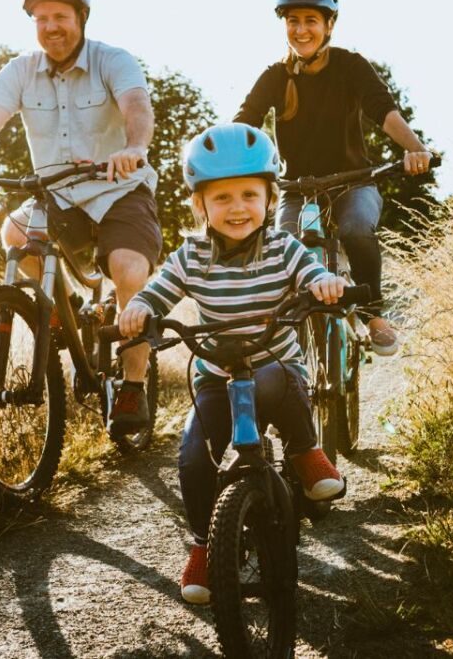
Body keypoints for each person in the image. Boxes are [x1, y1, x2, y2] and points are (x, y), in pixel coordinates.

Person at [118, 123, 347, 605]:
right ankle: (204, 543)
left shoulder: (284, 247)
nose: (237, 207)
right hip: (216, 379)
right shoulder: (191, 254)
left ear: (269, 198)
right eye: (221, 198)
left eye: (249, 194)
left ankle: (305, 450)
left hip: (271, 370)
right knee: (194, 456)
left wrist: (323, 284)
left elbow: (310, 270)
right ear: (200, 205)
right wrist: (141, 308)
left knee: (279, 376)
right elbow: (160, 290)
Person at [0, 0, 160, 432]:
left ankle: (132, 386)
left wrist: (133, 147)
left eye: (60, 17)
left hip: (118, 190)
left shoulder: (113, 60)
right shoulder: (20, 71)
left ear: (81, 18)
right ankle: (67, 317)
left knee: (128, 271)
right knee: (16, 235)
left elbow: (137, 106)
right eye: (41, 19)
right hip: (58, 194)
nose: (51, 27)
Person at [234, 0, 433, 355]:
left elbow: (383, 111)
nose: (301, 29)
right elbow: (245, 122)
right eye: (293, 21)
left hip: (354, 182)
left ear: (329, 25)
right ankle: (284, 336)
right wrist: (227, 163)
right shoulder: (276, 76)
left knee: (356, 229)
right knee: (285, 249)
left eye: (311, 20)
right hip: (297, 189)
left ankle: (374, 315)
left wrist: (416, 149)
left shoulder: (350, 66)